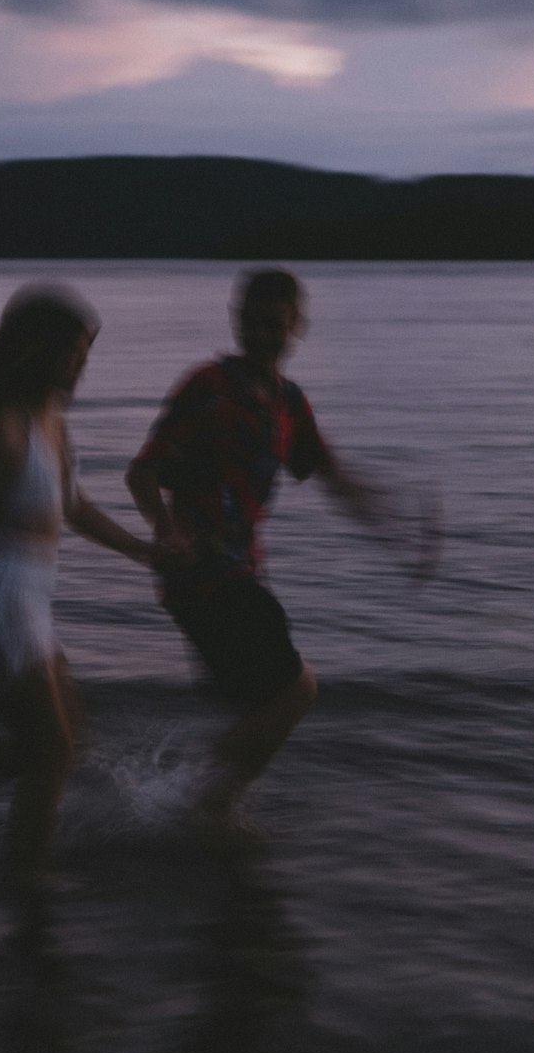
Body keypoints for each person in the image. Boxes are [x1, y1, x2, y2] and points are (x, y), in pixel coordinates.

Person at [126, 266, 411, 821]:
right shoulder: (207, 386)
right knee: (296, 691)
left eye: (273, 325)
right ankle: (201, 801)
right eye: (250, 323)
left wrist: (392, 528)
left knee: (265, 704)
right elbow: (141, 472)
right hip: (201, 574)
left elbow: (332, 477)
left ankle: (208, 809)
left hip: (242, 572)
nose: (260, 336)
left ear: (297, 326)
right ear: (235, 321)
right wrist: (166, 527)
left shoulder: (288, 403)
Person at [0, 283, 158, 880]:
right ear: (37, 349)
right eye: (73, 351)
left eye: (86, 354)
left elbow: (74, 506)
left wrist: (146, 553)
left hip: (31, 597)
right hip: (1, 594)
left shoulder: (53, 417)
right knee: (53, 753)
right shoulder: (0, 416)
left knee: (63, 738)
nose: (81, 365)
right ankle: (27, 887)